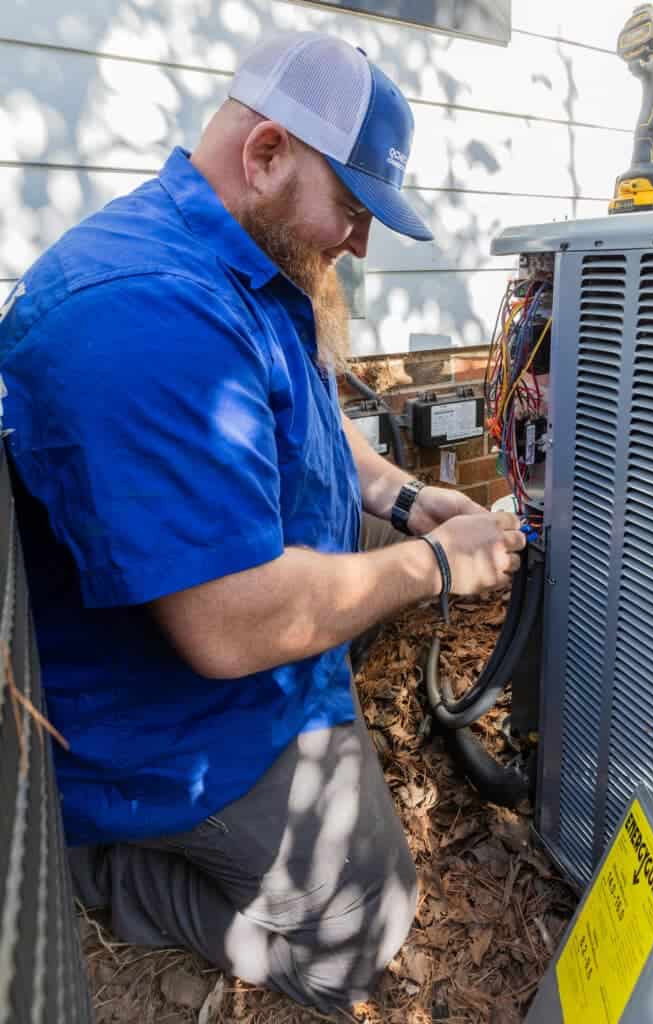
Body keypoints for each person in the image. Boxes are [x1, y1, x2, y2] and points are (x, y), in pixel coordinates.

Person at [0, 31, 525, 1011]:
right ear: (268, 151)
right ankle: (107, 872)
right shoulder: (143, 316)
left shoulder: (247, 257)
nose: (361, 243)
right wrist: (436, 564)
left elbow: (315, 416)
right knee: (367, 931)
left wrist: (407, 501)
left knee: (389, 568)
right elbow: (233, 624)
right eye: (356, 209)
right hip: (181, 713)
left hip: (264, 604)